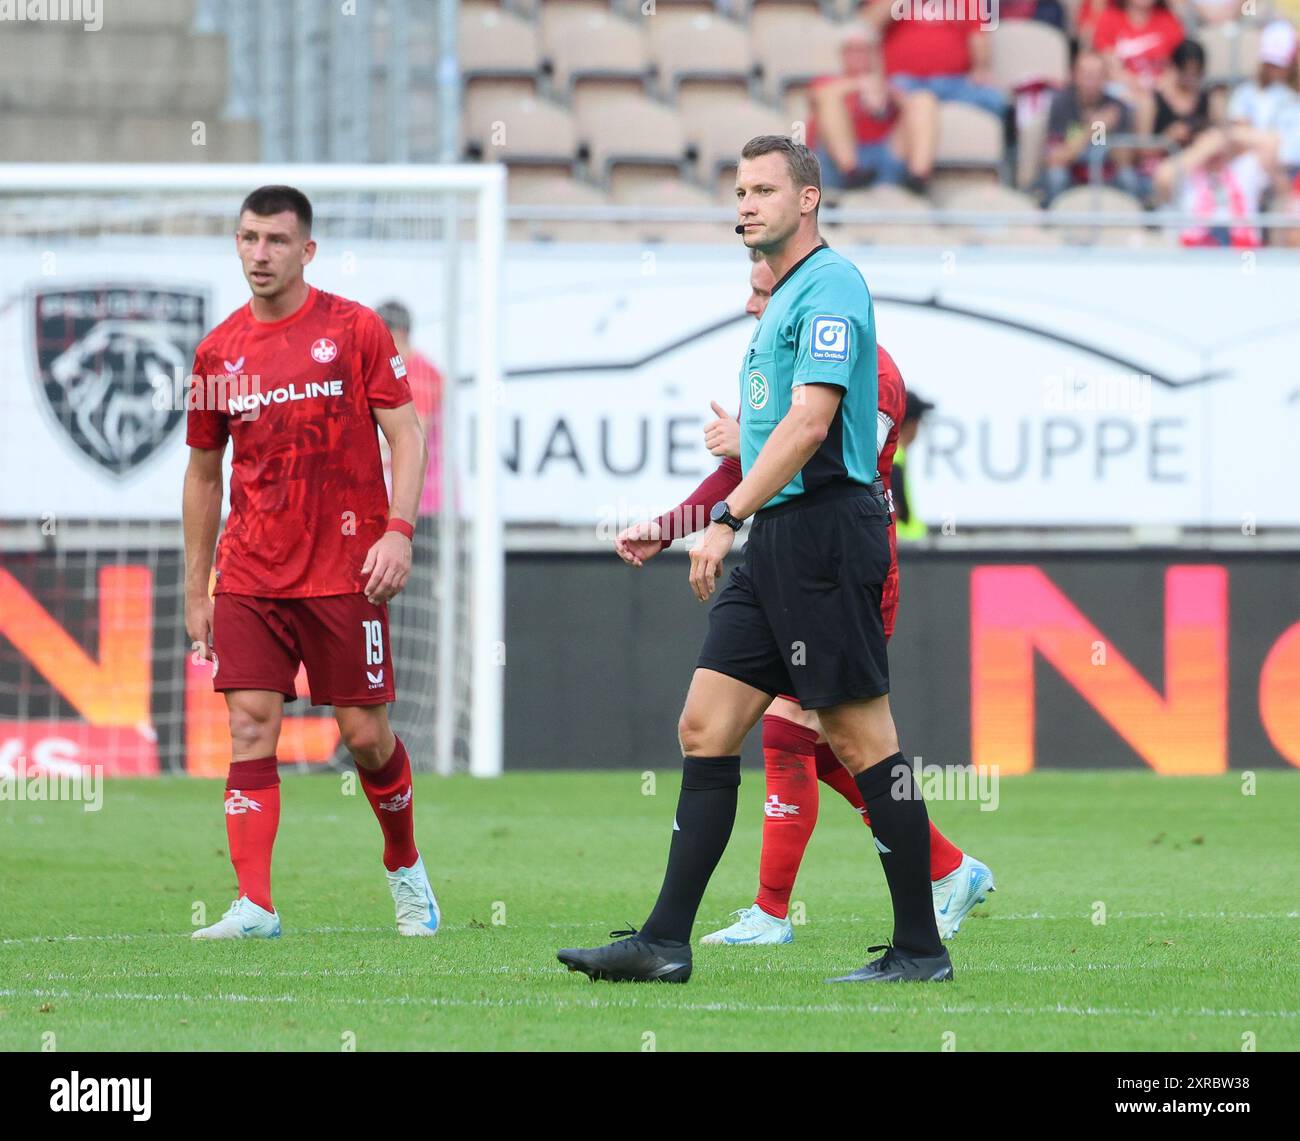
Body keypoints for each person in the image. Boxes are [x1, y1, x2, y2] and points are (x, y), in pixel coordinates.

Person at [558, 136, 953, 985]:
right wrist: (684, 521)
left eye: (764, 189)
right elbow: (756, 450)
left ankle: (921, 946)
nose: (745, 203)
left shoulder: (833, 285)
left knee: (858, 740)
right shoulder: (777, 307)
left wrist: (724, 519)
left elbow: (809, 428)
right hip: (773, 537)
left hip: (822, 534)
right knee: (705, 724)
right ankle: (664, 942)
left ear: (807, 200)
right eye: (738, 190)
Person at [615, 251, 993, 947]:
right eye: (754, 295)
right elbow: (744, 472)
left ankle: (776, 911)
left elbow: (842, 464)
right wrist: (669, 527)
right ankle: (944, 868)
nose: (757, 307)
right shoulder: (783, 365)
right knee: (804, 742)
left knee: (809, 735)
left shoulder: (873, 374)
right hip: (780, 557)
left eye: (765, 292)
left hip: (845, 564)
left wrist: (751, 445)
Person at [182, 185, 439, 940]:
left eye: (275, 241)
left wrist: (398, 530)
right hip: (252, 572)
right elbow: (202, 473)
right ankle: (255, 904)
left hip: (344, 571)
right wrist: (198, 584)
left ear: (307, 250)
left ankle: (405, 865)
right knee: (251, 724)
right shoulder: (217, 351)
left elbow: (407, 433)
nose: (259, 254)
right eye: (248, 238)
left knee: (364, 736)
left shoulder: (354, 329)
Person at [808, 24, 912, 191]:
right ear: (842, 54)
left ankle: (918, 175)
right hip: (836, 165)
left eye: (864, 49)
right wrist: (860, 84)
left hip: (882, 155)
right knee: (830, 101)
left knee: (922, 102)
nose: (858, 55)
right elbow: (819, 96)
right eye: (851, 50)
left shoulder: (889, 85)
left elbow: (911, 107)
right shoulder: (827, 83)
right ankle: (851, 169)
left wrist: (885, 93)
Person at [375, 300, 445, 517]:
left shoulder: (422, 374)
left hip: (424, 502)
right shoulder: (398, 372)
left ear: (400, 333)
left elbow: (416, 435)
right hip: (402, 499)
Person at [1043, 50, 1141, 203]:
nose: (1090, 81)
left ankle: (1132, 224)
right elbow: (1055, 159)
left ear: (1105, 79)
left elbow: (1125, 161)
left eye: (1096, 76)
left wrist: (1107, 130)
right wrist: (1094, 128)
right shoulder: (1062, 104)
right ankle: (1055, 224)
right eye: (1086, 75)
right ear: (1074, 76)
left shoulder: (1117, 107)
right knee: (1056, 176)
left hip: (1107, 174)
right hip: (1073, 173)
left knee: (1128, 177)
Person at [893, 390, 934, 541]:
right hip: (904, 550)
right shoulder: (893, 462)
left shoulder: (893, 458)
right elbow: (895, 511)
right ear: (912, 424)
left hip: (904, 548)